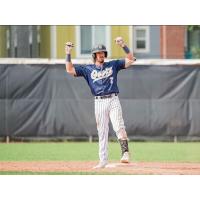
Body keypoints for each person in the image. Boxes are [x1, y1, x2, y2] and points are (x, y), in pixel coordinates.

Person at [65, 37, 136, 168]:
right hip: (99, 102)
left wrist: (123, 45)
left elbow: (131, 59)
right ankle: (103, 160)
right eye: (99, 53)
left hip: (113, 98)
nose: (101, 54)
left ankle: (125, 152)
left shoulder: (113, 65)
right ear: (94, 55)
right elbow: (69, 69)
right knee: (102, 132)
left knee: (118, 126)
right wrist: (68, 53)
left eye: (103, 52)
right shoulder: (87, 69)